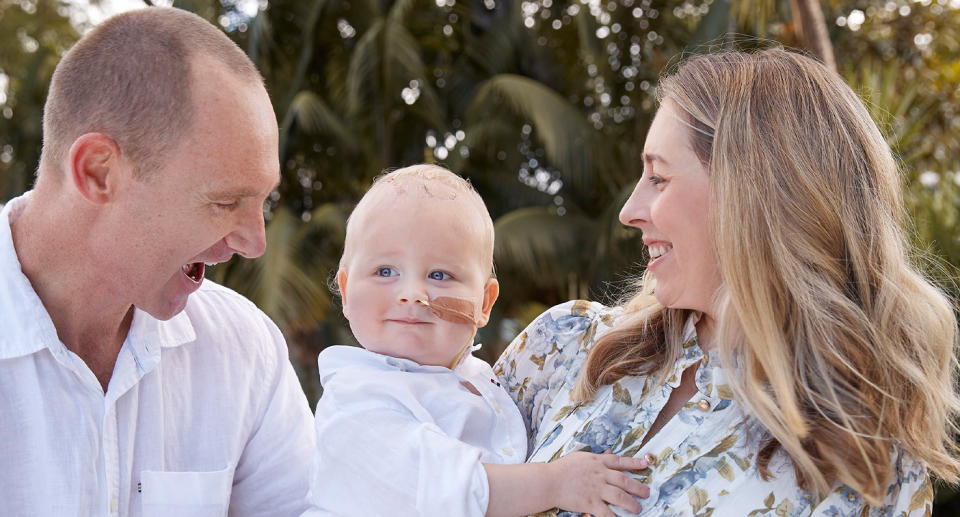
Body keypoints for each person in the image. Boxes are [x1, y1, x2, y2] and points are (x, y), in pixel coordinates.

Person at [495, 48, 960, 516]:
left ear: (750, 196)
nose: (629, 211)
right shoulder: (565, 346)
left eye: (658, 177)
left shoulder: (866, 473)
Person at [0, 7, 314, 516]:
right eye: (224, 202)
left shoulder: (246, 350)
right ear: (99, 172)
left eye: (263, 201)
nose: (255, 242)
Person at [305, 164, 650, 517]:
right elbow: (447, 489)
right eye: (385, 272)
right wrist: (557, 483)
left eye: (439, 275)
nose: (411, 294)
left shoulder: (481, 378)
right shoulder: (356, 400)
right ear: (346, 293)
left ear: (484, 303)